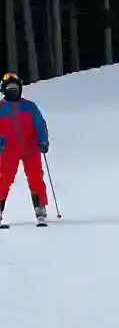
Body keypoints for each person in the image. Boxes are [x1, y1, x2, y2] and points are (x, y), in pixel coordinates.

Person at [0, 72, 50, 227]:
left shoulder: (29, 106)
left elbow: (40, 124)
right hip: (7, 149)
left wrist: (43, 141)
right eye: (10, 88)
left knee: (36, 177)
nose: (13, 90)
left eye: (16, 87)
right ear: (4, 90)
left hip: (30, 147)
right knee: (3, 178)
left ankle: (40, 208)